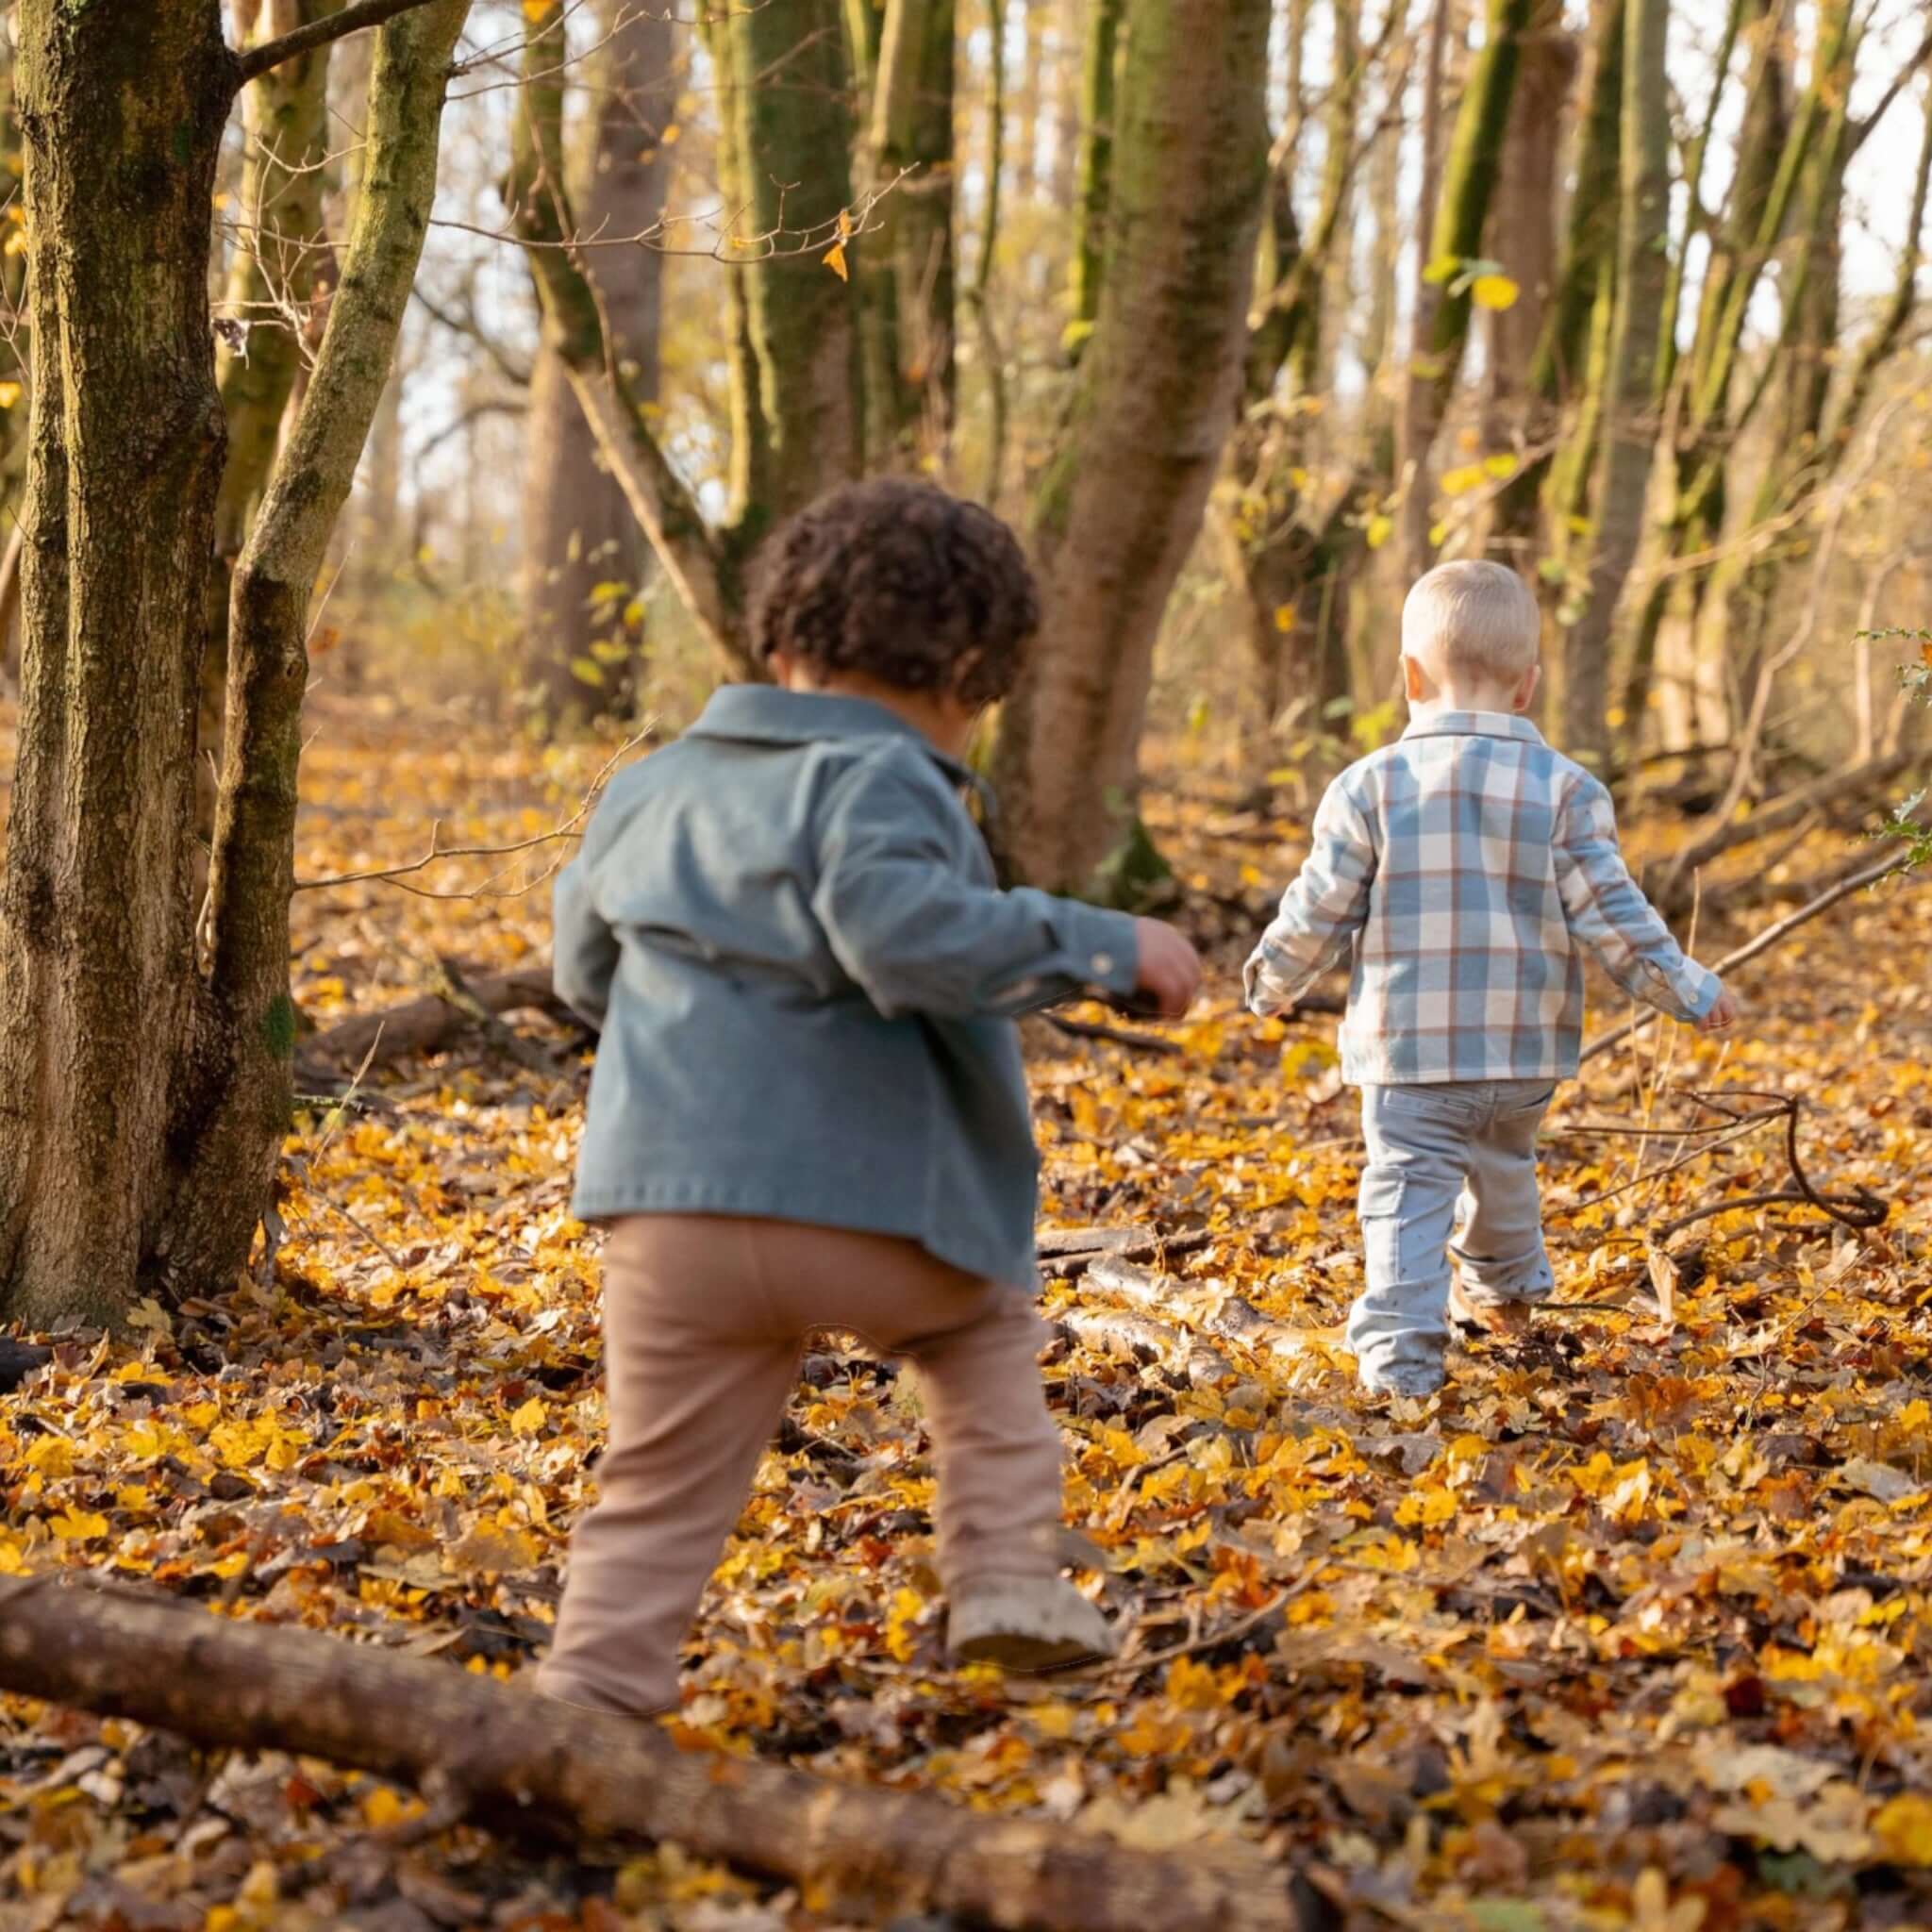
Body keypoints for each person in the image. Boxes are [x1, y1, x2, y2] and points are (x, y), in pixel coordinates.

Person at [537, 477, 1204, 1718]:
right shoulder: (888, 782)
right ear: (969, 672)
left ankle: (590, 1699)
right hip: (875, 1213)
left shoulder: (649, 786)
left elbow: (583, 972)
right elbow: (904, 934)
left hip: (666, 1214)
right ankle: (1002, 1575)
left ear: (780, 642)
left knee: (658, 1482)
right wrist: (1102, 945)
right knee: (982, 1335)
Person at [1243, 558, 1737, 1398]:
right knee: (1506, 1163)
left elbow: (1319, 907)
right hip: (1522, 1054)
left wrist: (1273, 980)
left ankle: (1402, 1358)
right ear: (1528, 687)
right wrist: (1689, 988)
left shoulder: (1368, 787)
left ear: (1408, 677)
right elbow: (1614, 917)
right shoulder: (1567, 792)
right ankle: (1509, 1288)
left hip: (1408, 1056)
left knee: (1407, 1188)